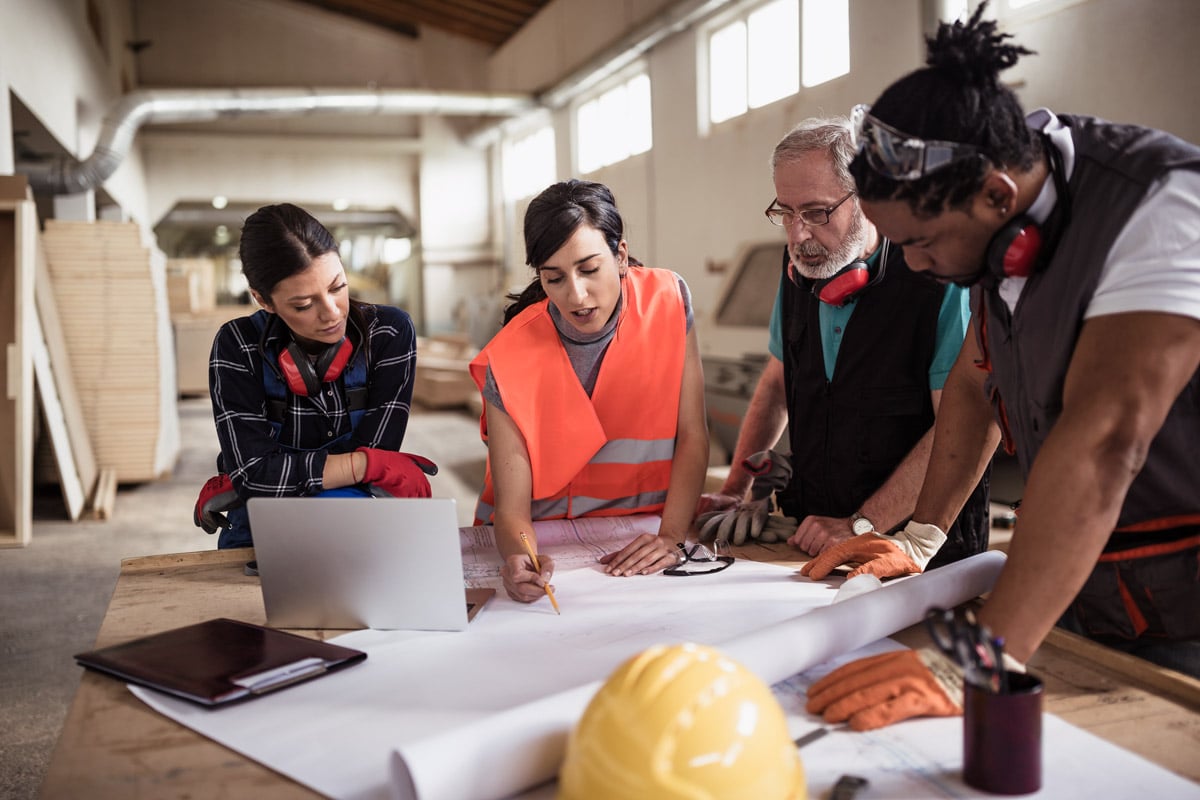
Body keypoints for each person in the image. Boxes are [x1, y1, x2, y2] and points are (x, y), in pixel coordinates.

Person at [806, 6, 1200, 732]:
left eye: (921, 243)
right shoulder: (1000, 231)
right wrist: (919, 537)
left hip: (1185, 602)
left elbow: (1109, 442)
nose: (916, 267)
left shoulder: (1160, 207)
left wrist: (976, 660)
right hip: (1087, 587)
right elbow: (971, 380)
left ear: (995, 194)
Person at [698, 117, 990, 570]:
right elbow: (776, 385)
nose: (798, 235)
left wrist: (861, 523)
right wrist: (734, 488)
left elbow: (960, 426)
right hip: (817, 539)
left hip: (920, 555)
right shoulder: (799, 268)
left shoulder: (936, 278)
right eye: (786, 212)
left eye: (816, 213)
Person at [468, 179, 709, 603]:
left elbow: (692, 433)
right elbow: (510, 508)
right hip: (543, 541)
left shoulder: (668, 300)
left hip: (641, 536)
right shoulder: (509, 355)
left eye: (589, 269)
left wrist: (671, 537)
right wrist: (521, 558)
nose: (575, 295)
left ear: (619, 256)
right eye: (554, 278)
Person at [193, 203, 436, 549]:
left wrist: (269, 475)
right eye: (304, 305)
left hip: (349, 511)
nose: (332, 313)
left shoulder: (389, 334)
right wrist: (363, 464)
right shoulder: (238, 346)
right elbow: (255, 477)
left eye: (337, 287)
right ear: (264, 300)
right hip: (262, 525)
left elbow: (261, 476)